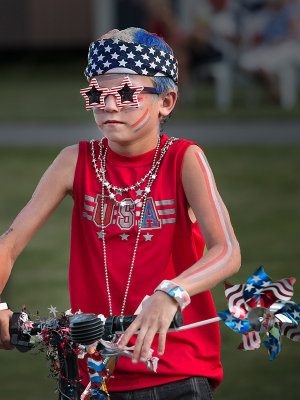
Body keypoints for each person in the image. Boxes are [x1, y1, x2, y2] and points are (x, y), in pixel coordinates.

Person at [0, 27, 241, 399]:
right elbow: (10, 243)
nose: (109, 106)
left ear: (167, 101)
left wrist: (171, 293)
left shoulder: (183, 160)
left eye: (127, 94)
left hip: (175, 370)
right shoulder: (74, 161)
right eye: (97, 94)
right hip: (93, 372)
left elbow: (226, 251)